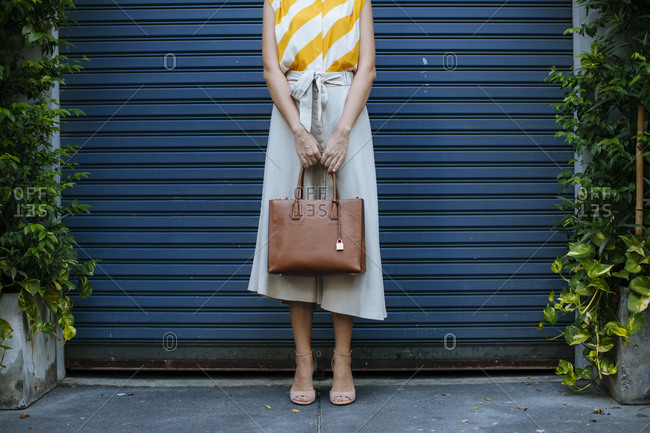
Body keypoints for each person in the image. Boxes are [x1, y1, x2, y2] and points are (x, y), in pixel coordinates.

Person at [247, 0, 386, 406]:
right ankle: (304, 362)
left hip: (348, 113)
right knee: (298, 238)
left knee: (347, 230)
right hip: (291, 113)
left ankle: (342, 362)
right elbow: (272, 69)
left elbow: (367, 68)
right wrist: (298, 130)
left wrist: (342, 132)